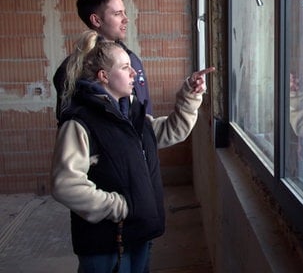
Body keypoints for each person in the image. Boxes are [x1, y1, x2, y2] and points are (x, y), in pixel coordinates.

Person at [51, 32, 214, 273]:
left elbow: (171, 131)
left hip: (138, 232)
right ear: (104, 76)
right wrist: (118, 207)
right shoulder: (80, 123)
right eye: (126, 67)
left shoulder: (130, 115)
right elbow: (65, 185)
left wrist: (190, 95)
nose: (134, 73)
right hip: (106, 243)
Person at [54, 0, 152, 121]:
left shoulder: (131, 58)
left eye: (124, 12)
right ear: (96, 20)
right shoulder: (75, 68)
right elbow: (71, 120)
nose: (126, 19)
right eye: (117, 14)